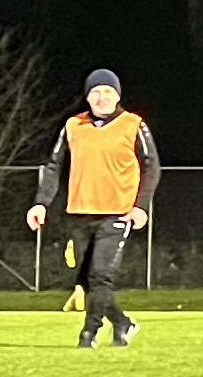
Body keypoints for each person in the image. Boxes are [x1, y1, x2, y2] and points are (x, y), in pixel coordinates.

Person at [28, 68, 161, 348]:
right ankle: (122, 322)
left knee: (100, 274)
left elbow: (152, 167)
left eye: (108, 92)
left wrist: (141, 207)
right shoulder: (73, 125)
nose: (102, 97)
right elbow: (53, 166)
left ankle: (89, 334)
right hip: (79, 212)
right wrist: (41, 203)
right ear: (87, 97)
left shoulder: (133, 124)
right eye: (96, 92)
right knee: (87, 279)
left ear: (118, 96)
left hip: (117, 213)